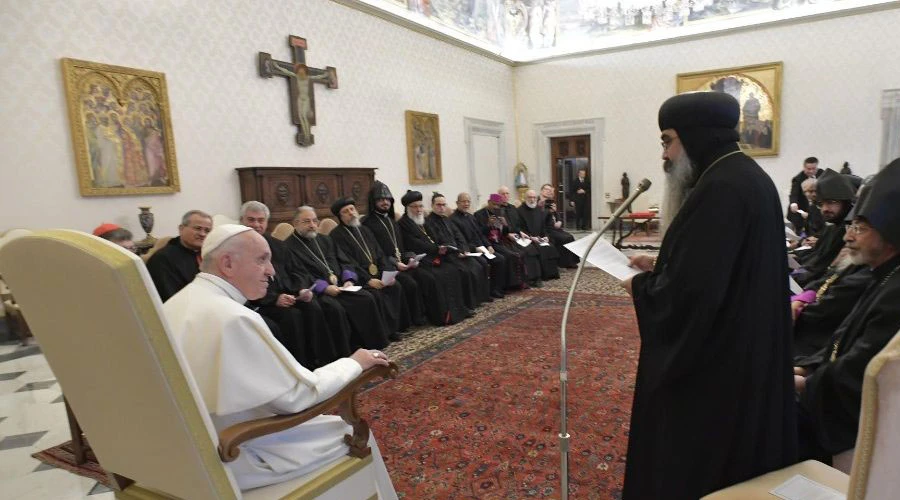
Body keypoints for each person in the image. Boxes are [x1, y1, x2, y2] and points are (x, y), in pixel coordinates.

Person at [621, 92, 796, 499]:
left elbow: (689, 301)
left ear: (694, 135)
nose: (664, 154)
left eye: (667, 140)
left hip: (718, 368)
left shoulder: (720, 189)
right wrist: (661, 265)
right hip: (744, 351)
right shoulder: (745, 177)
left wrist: (641, 288)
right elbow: (716, 268)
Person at [162, 224, 396, 494]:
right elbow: (297, 398)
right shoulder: (233, 318)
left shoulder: (178, 302)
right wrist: (355, 363)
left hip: (180, 452)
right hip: (233, 453)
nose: (272, 271)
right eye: (262, 260)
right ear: (227, 263)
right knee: (348, 431)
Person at [794, 159, 900, 462]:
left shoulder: (894, 292)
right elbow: (841, 341)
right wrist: (808, 368)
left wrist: (803, 382)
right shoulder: (883, 274)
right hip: (825, 392)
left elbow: (862, 371)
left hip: (843, 422)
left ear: (891, 235)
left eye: (860, 228)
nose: (847, 236)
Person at [239, 201, 352, 368]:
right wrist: (274, 299)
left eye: (260, 220)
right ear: (241, 220)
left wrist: (301, 289)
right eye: (251, 220)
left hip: (289, 295)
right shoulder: (235, 248)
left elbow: (298, 271)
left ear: (266, 222)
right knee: (293, 317)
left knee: (313, 306)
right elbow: (242, 282)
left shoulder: (277, 245)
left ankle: (324, 359)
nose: (256, 224)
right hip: (260, 302)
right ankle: (299, 365)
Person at [285, 206, 392, 349]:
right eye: (306, 221)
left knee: (367, 298)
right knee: (335, 309)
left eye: (315, 221)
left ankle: (371, 343)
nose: (312, 225)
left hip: (342, 286)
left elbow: (344, 261)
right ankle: (346, 350)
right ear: (295, 223)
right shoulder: (288, 247)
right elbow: (299, 275)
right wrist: (324, 287)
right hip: (319, 292)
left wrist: (349, 279)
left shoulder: (325, 240)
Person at [329, 197, 410, 337]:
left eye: (352, 209)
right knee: (376, 294)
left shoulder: (365, 229)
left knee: (395, 286)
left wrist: (387, 273)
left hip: (377, 273)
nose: (351, 213)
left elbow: (380, 253)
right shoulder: (337, 235)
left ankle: (395, 328)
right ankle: (383, 333)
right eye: (346, 211)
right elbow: (348, 263)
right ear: (340, 217)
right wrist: (367, 280)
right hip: (359, 278)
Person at [360, 181, 432, 326]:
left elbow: (402, 246)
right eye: (380, 199)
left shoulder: (392, 221)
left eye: (387, 199)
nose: (385, 202)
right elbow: (375, 253)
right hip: (385, 267)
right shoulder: (367, 224)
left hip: (402, 264)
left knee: (426, 276)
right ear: (373, 202)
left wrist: (410, 257)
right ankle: (412, 319)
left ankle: (426, 313)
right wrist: (394, 263)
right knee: (410, 283)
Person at [397, 190, 474, 321]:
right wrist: (436, 248)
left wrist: (442, 246)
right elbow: (413, 243)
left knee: (454, 269)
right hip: (419, 260)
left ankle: (458, 309)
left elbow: (435, 236)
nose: (419, 209)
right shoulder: (403, 223)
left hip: (433, 256)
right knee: (436, 277)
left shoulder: (423, 221)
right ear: (407, 208)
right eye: (415, 207)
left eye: (420, 206)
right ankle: (442, 315)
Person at [792, 169, 855, 287]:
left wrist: (795, 276)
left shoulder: (847, 231)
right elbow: (816, 255)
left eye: (831, 202)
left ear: (845, 202)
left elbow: (820, 267)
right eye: (821, 203)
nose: (824, 209)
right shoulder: (832, 226)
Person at [427, 192, 489, 305]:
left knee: (477, 266)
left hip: (458, 253)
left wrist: (463, 249)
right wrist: (456, 252)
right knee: (465, 272)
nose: (441, 207)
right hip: (447, 256)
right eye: (438, 205)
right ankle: (468, 303)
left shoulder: (446, 219)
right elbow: (438, 242)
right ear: (432, 205)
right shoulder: (429, 222)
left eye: (443, 205)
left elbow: (458, 236)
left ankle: (478, 299)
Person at [451, 192, 508, 299]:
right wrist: (474, 248)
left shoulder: (471, 217)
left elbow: (480, 234)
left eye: (468, 201)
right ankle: (484, 294)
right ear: (457, 203)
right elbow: (460, 240)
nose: (466, 204)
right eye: (463, 201)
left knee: (500, 259)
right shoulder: (453, 219)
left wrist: (488, 245)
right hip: (469, 250)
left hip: (481, 248)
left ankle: (495, 289)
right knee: (484, 263)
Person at [146, 210, 212, 301]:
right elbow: (171, 297)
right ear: (181, 229)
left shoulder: (210, 254)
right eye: (197, 228)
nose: (202, 234)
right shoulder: (162, 259)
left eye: (207, 230)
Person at [517, 189, 561, 279]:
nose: (532, 200)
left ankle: (551, 274)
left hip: (539, 238)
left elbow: (543, 227)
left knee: (550, 246)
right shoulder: (519, 211)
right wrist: (531, 237)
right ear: (525, 198)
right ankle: (542, 275)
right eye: (530, 197)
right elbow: (519, 228)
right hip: (527, 239)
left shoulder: (538, 210)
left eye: (534, 197)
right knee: (539, 249)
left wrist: (546, 236)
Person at [787, 157, 823, 232]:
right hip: (801, 209)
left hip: (818, 209)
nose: (811, 171)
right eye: (808, 169)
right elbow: (794, 194)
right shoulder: (798, 179)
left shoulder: (823, 174)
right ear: (804, 168)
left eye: (814, 168)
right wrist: (794, 204)